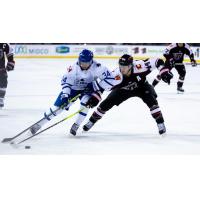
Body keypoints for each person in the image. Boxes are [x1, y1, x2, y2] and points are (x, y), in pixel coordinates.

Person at [83, 54, 173, 135]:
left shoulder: (140, 66)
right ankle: (91, 121)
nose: (122, 69)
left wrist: (163, 71)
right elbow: (101, 87)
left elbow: (158, 61)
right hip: (123, 90)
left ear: (130, 65)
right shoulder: (116, 75)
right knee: (105, 104)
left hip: (142, 86)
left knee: (152, 102)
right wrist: (95, 98)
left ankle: (160, 123)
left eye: (124, 66)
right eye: (120, 66)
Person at [30, 49, 113, 136]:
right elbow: (66, 82)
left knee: (85, 104)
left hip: (88, 89)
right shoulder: (73, 68)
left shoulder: (99, 67)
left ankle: (76, 125)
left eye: (87, 63)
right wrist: (66, 94)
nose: (84, 65)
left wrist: (97, 92)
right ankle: (39, 124)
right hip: (73, 89)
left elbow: (110, 80)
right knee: (58, 108)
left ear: (91, 61)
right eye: (82, 62)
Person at [0, 43, 15, 108]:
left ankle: (1, 99)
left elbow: (9, 51)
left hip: (1, 68)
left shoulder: (3, 43)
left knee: (3, 81)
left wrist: (11, 62)